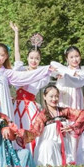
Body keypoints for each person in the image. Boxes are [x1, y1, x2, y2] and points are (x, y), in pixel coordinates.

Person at [16, 85, 84, 167]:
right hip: (49, 145)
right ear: (44, 97)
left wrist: (72, 126)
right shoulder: (42, 115)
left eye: (56, 96)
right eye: (51, 96)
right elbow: (34, 132)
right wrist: (21, 133)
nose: (54, 99)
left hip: (64, 144)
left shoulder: (64, 111)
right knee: (48, 145)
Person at [0, 43, 54, 122]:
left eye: (1, 55)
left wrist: (46, 70)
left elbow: (26, 76)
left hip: (4, 105)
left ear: (6, 57)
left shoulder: (7, 73)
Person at [9, 23, 51, 153]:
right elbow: (17, 55)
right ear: (27, 58)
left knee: (30, 130)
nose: (34, 61)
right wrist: (16, 33)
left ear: (40, 60)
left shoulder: (41, 75)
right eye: (31, 58)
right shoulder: (21, 70)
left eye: (37, 58)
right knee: (16, 130)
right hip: (17, 105)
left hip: (30, 106)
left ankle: (32, 156)